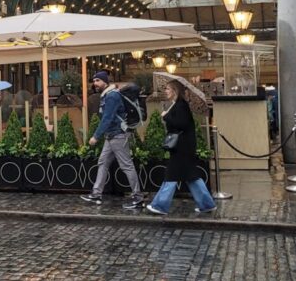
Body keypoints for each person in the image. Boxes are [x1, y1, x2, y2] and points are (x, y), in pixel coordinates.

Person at [146, 79, 217, 215]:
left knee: (171, 175)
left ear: (175, 90)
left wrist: (166, 116)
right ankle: (207, 204)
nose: (165, 91)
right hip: (184, 146)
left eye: (167, 89)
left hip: (182, 147)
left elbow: (181, 124)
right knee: (192, 177)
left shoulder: (181, 105)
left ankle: (160, 205)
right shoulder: (177, 104)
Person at [80, 71, 143, 210]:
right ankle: (96, 193)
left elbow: (107, 118)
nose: (95, 83)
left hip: (118, 135)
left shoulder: (112, 96)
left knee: (126, 165)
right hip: (111, 136)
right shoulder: (107, 95)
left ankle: (138, 197)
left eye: (97, 80)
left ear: (105, 81)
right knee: (103, 162)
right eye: (94, 81)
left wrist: (96, 136)